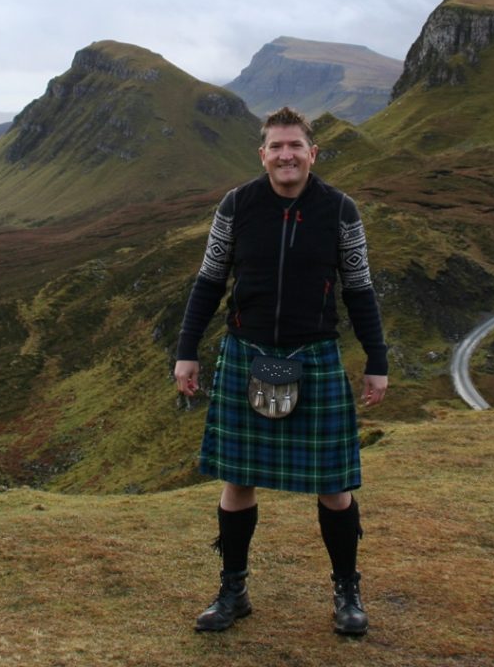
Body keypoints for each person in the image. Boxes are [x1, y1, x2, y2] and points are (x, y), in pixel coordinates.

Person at [174, 106, 388, 636]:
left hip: (313, 356)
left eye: (296, 146)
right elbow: (208, 281)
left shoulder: (341, 211)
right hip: (245, 353)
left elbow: (359, 288)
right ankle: (233, 590)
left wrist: (376, 361)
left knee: (335, 487)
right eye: (276, 147)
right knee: (237, 480)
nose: (286, 155)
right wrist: (187, 350)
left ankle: (347, 593)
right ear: (263, 154)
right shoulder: (236, 206)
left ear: (312, 153)